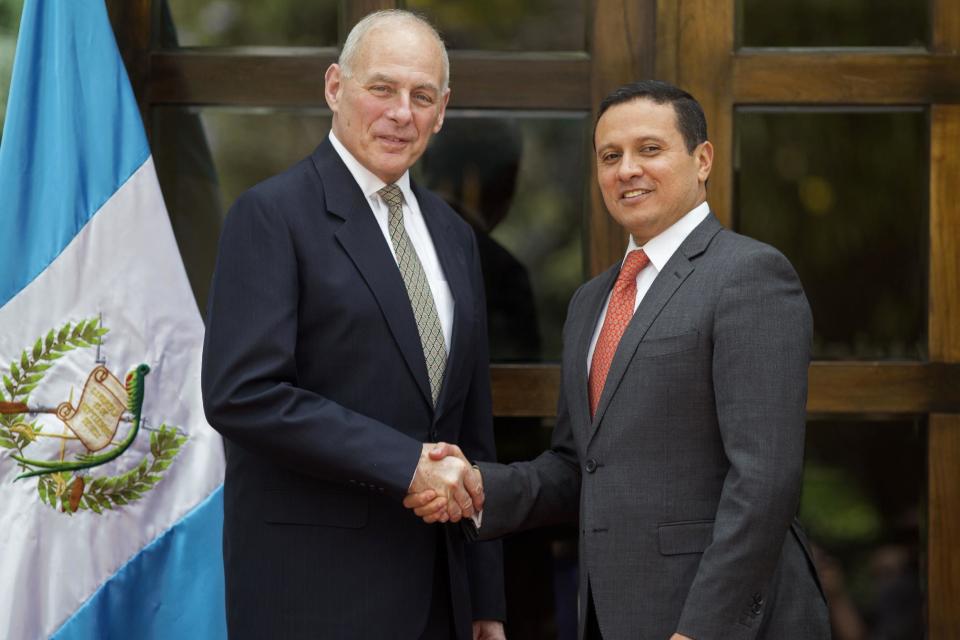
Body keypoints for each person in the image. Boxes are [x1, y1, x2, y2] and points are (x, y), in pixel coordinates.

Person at [407, 80, 830, 639]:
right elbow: (576, 465)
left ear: (702, 159)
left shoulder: (749, 276)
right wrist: (479, 487)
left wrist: (701, 630)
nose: (627, 169)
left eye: (649, 149)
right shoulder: (591, 303)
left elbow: (765, 481)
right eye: (611, 156)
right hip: (611, 614)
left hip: (716, 621)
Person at [201, 10, 505, 640]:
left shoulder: (454, 236)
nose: (402, 112)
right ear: (335, 87)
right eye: (382, 88)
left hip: (440, 601)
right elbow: (243, 395)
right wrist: (405, 464)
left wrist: (484, 600)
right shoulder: (271, 215)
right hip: (316, 594)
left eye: (422, 96)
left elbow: (471, 425)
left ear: (443, 110)